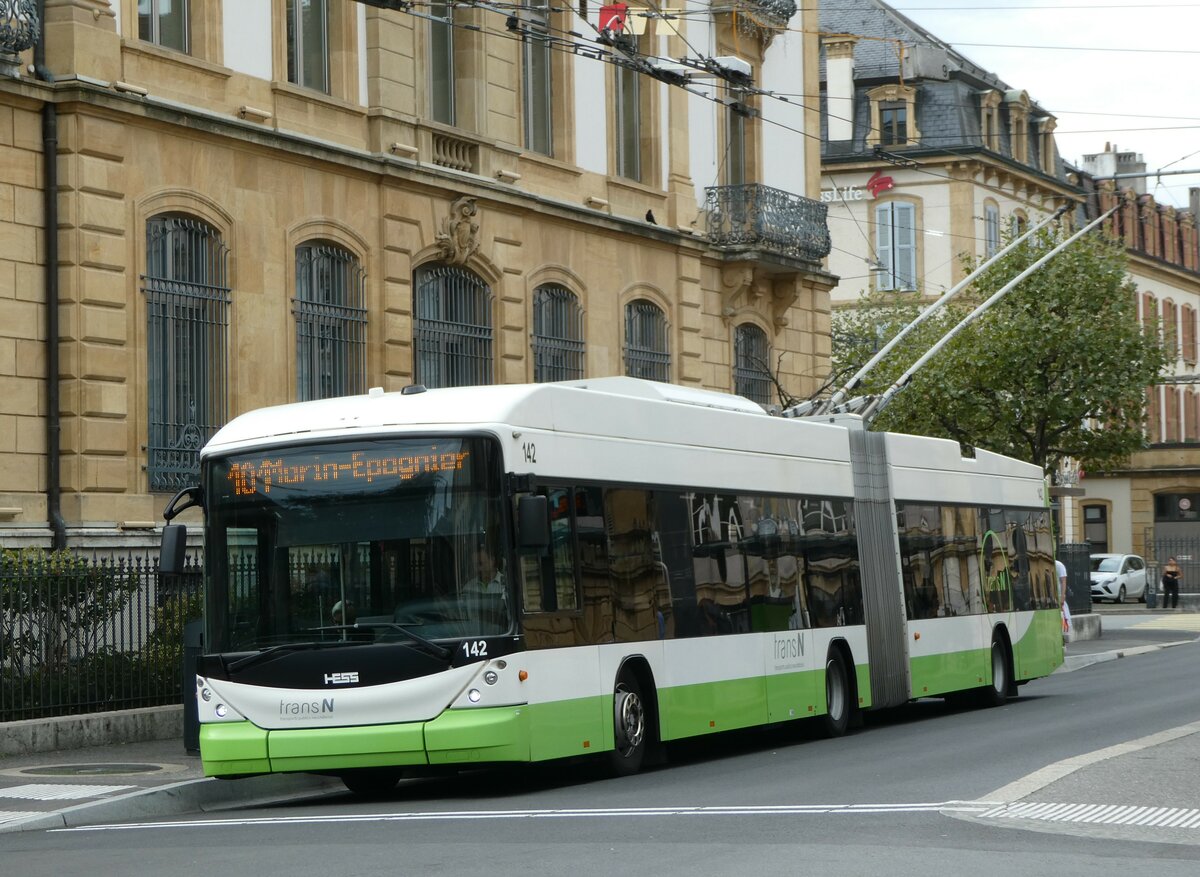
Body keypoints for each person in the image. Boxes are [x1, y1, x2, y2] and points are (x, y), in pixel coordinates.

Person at [1055, 559, 1071, 639]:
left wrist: (1062, 597)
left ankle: (1063, 636)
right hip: (1053, 595)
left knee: (1062, 617)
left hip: (1058, 595)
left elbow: (1063, 581)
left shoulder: (1058, 565)